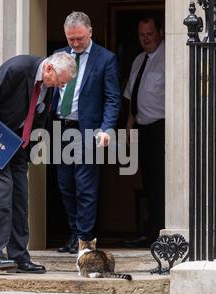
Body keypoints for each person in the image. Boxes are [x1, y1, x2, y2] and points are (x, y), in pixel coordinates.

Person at [0, 52, 76, 272]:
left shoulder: (48, 87)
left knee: (20, 199)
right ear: (49, 68)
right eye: (61, 81)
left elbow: (40, 114)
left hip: (18, 147)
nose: (61, 86)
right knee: (2, 193)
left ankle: (20, 256)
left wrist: (30, 145)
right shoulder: (17, 68)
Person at [53, 11, 121, 254]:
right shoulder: (58, 56)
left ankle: (85, 239)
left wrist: (106, 129)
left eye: (79, 38)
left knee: (85, 187)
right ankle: (74, 233)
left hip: (88, 131)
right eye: (71, 39)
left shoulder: (106, 59)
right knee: (65, 185)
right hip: (61, 129)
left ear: (90, 32)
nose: (75, 44)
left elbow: (113, 99)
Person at [122, 17, 165, 248]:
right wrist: (129, 127)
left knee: (160, 182)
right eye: (141, 35)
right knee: (148, 181)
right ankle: (150, 230)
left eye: (149, 34)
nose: (146, 39)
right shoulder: (139, 60)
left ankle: (160, 232)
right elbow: (131, 96)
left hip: (162, 128)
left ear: (160, 31)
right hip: (142, 128)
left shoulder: (169, 56)